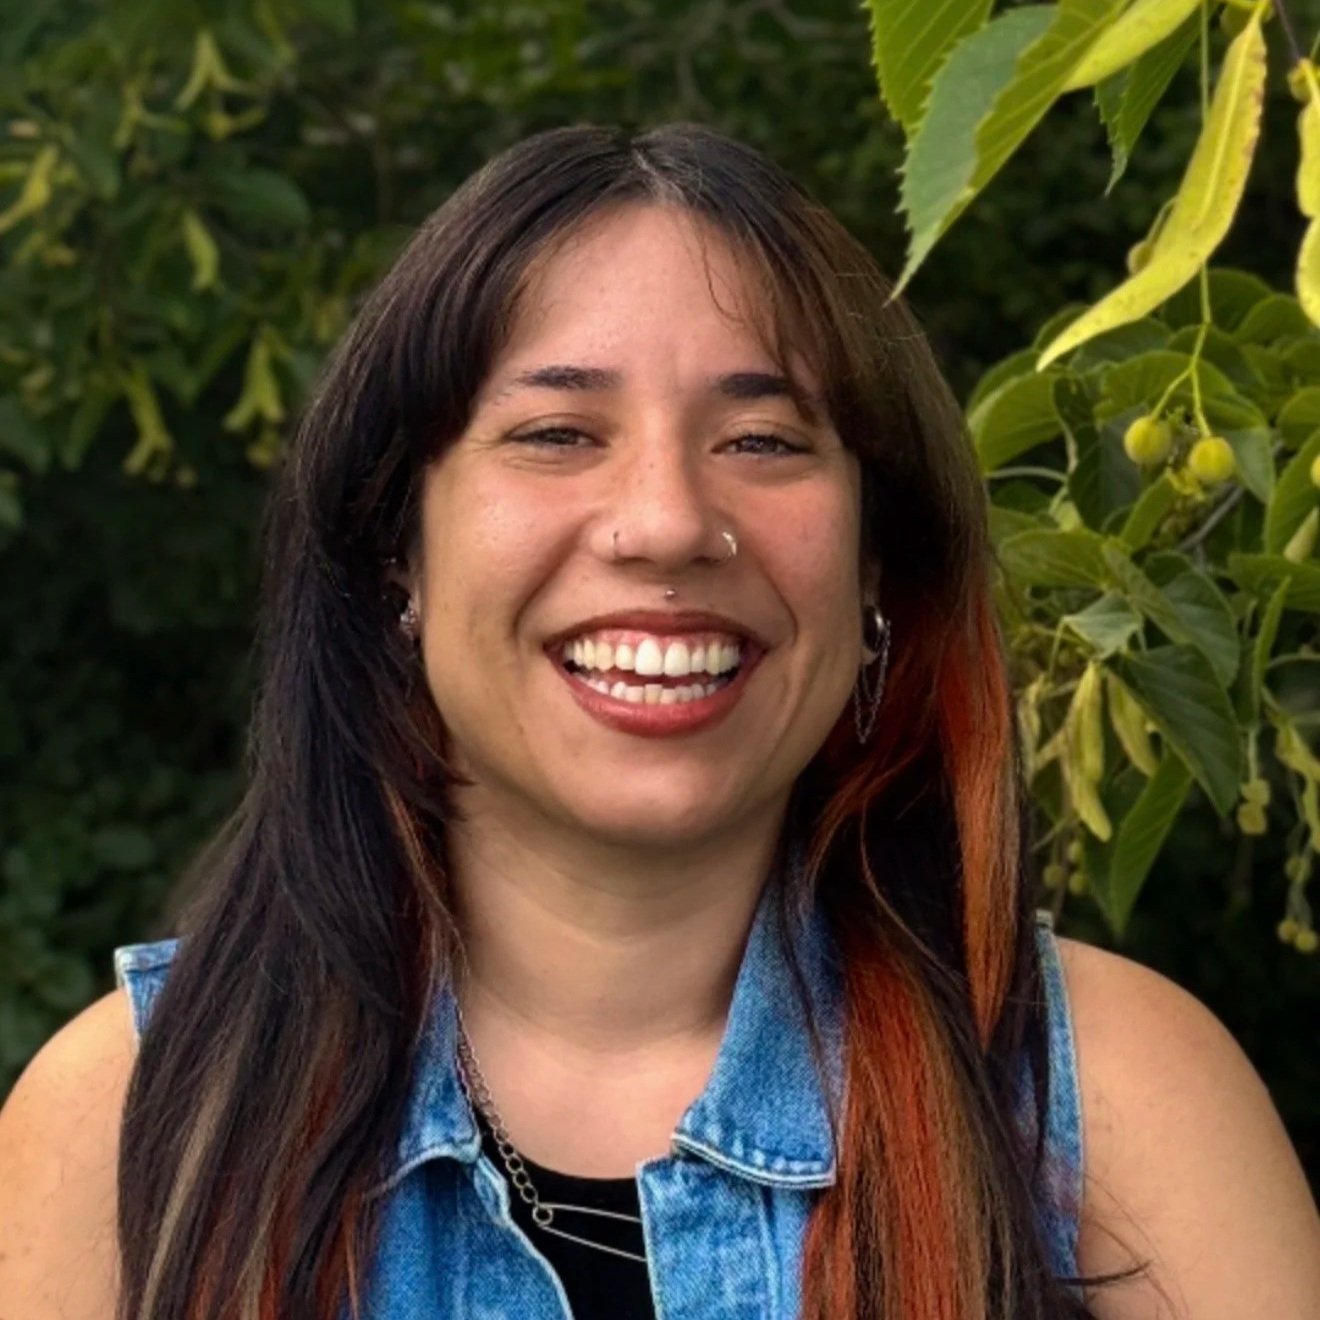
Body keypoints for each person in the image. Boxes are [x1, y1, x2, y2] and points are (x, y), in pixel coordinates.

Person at [1, 122, 1317, 1320]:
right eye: (557, 433)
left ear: (875, 567)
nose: (670, 523)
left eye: (763, 441)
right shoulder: (129, 1127)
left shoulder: (1115, 1105)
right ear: (398, 551)